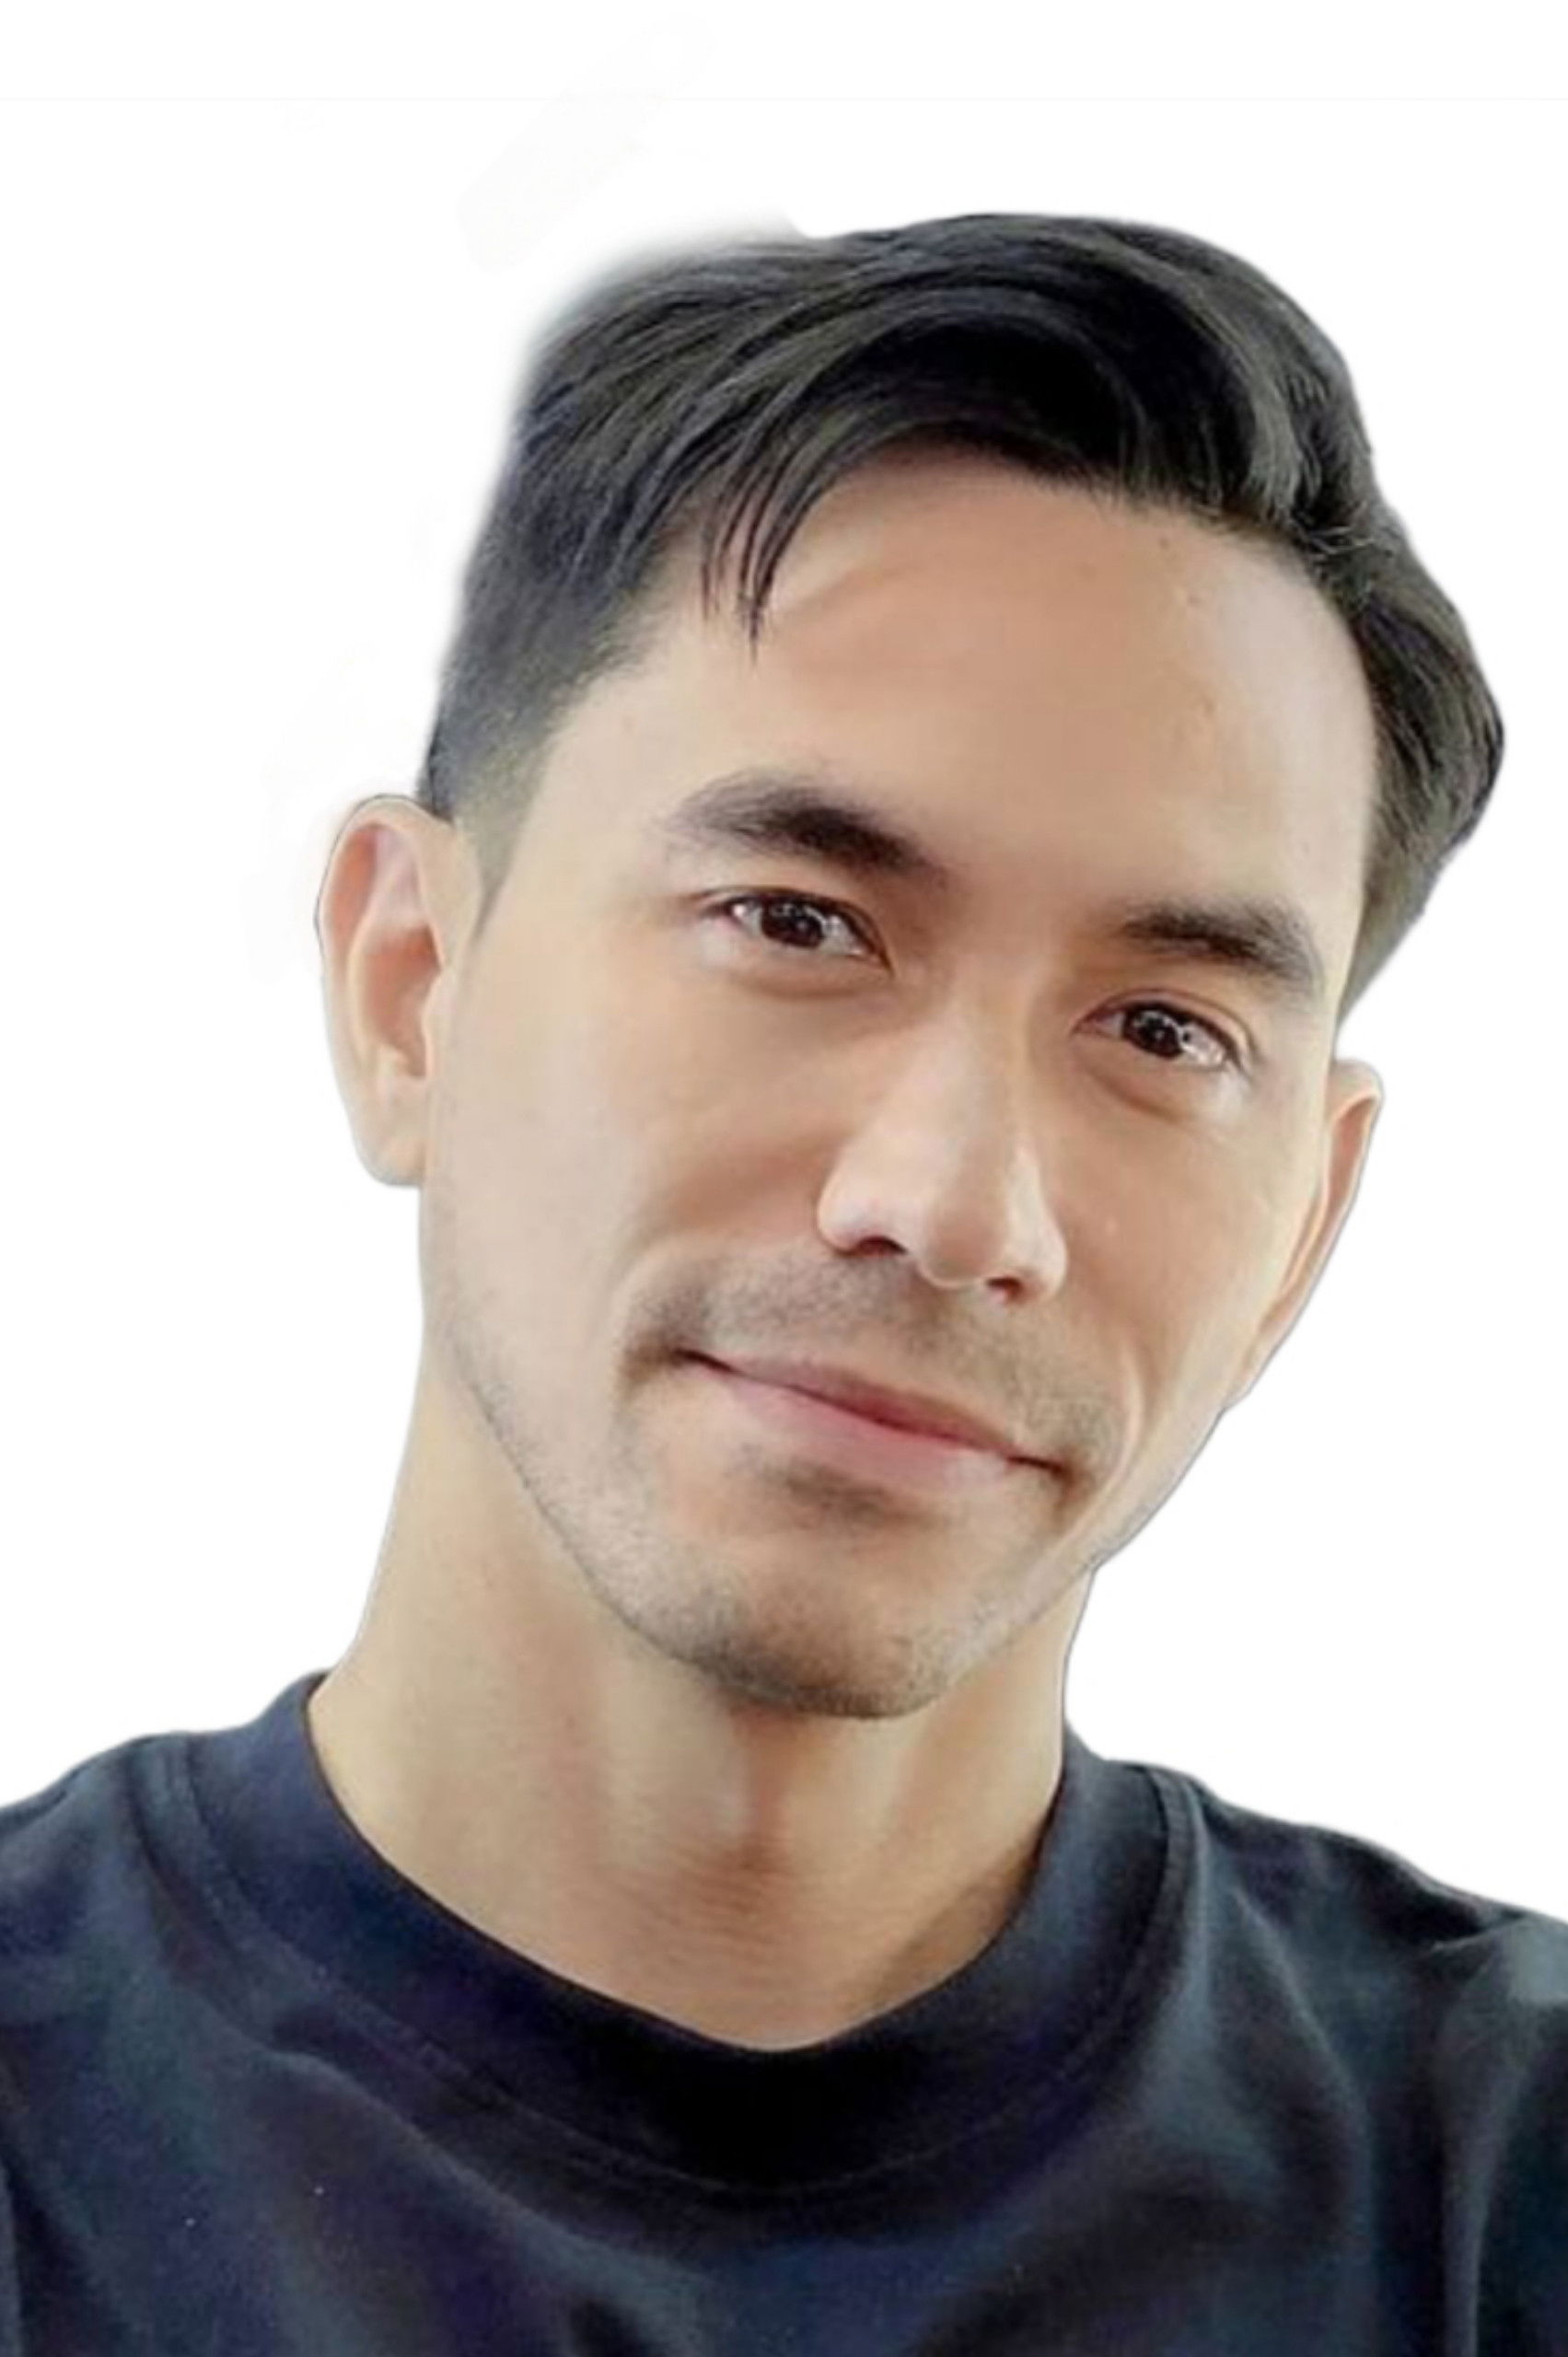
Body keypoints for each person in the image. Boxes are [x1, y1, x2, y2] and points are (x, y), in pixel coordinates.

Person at [1, 210, 1560, 2354]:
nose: (957, 1198)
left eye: (1166, 1030)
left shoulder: (1507, 2193)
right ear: (412, 984)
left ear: (1304, 1225)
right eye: (796, 921)